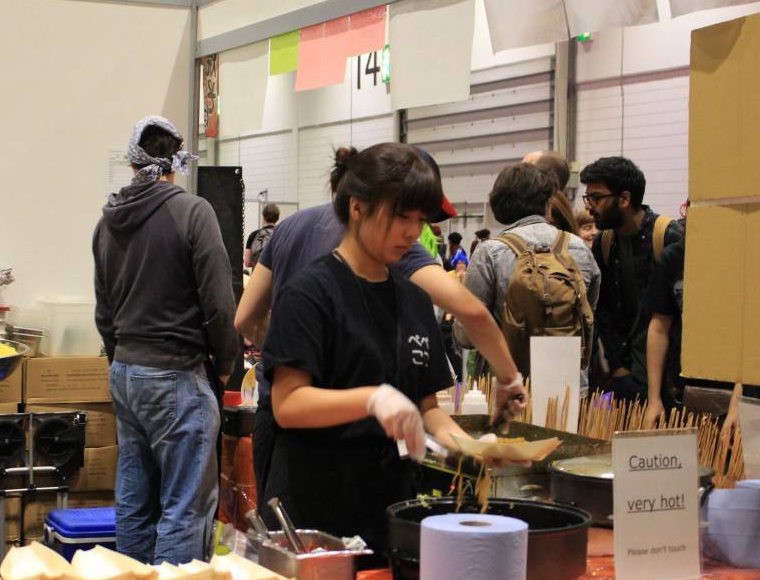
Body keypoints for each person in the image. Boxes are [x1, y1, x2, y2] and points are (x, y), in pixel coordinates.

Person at [260, 143, 516, 554]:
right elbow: (288, 406)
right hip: (316, 515)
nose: (413, 232)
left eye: (420, 219)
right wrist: (371, 399)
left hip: (389, 511)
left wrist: (469, 447)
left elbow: (427, 408)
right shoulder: (309, 294)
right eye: (401, 216)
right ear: (358, 208)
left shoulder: (412, 298)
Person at [93, 116, 238, 566]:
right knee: (185, 509)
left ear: (132, 162)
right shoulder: (193, 212)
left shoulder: (107, 222)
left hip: (126, 375)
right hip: (177, 374)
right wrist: (227, 362)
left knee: (135, 505)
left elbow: (104, 311)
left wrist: (123, 360)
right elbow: (220, 304)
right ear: (177, 161)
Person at [455, 163, 600, 391]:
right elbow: (588, 317)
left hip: (506, 388)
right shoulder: (579, 248)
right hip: (567, 386)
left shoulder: (490, 252)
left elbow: (466, 335)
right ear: (546, 201)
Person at [580, 156, 683, 401]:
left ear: (624, 199)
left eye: (596, 198)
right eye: (588, 198)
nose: (589, 206)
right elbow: (602, 310)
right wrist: (618, 367)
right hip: (627, 377)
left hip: (670, 382)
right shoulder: (604, 243)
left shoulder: (669, 237)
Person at [643, 237, 685, 426]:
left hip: (732, 388)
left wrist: (738, 398)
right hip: (678, 388)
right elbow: (659, 328)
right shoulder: (674, 256)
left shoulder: (741, 253)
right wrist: (654, 399)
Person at [244, 203, 280, 269]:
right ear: (277, 218)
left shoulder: (253, 235)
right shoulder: (282, 234)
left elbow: (247, 262)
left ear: (263, 217)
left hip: (258, 275)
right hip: (276, 277)